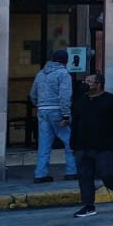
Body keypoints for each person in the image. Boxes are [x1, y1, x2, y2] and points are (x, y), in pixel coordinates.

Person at [69, 72, 113, 218]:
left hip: (104, 145)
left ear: (98, 84)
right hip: (82, 145)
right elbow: (75, 123)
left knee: (106, 174)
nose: (85, 84)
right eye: (85, 81)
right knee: (84, 176)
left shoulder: (111, 100)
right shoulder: (80, 101)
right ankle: (88, 206)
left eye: (89, 82)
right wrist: (72, 143)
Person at [30, 49, 74, 183]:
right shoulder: (63, 73)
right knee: (69, 142)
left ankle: (40, 173)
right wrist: (66, 115)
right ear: (66, 61)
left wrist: (39, 104)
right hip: (57, 111)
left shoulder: (40, 74)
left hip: (42, 111)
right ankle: (72, 171)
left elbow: (33, 94)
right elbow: (64, 96)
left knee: (44, 144)